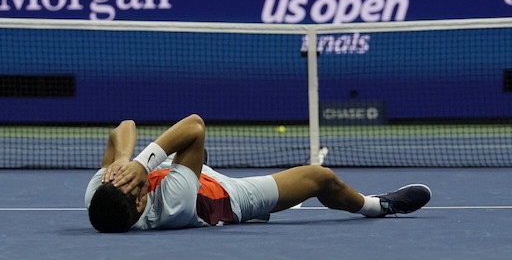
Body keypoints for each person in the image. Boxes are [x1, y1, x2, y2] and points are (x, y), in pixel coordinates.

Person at [85, 114, 432, 233]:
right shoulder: (172, 205)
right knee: (319, 176)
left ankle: (191, 164)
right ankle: (378, 206)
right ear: (142, 201)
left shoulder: (100, 191)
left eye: (123, 178)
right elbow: (194, 124)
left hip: (186, 176)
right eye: (135, 186)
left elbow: (123, 127)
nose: (130, 180)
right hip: (222, 199)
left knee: (192, 153)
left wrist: (126, 159)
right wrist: (144, 166)